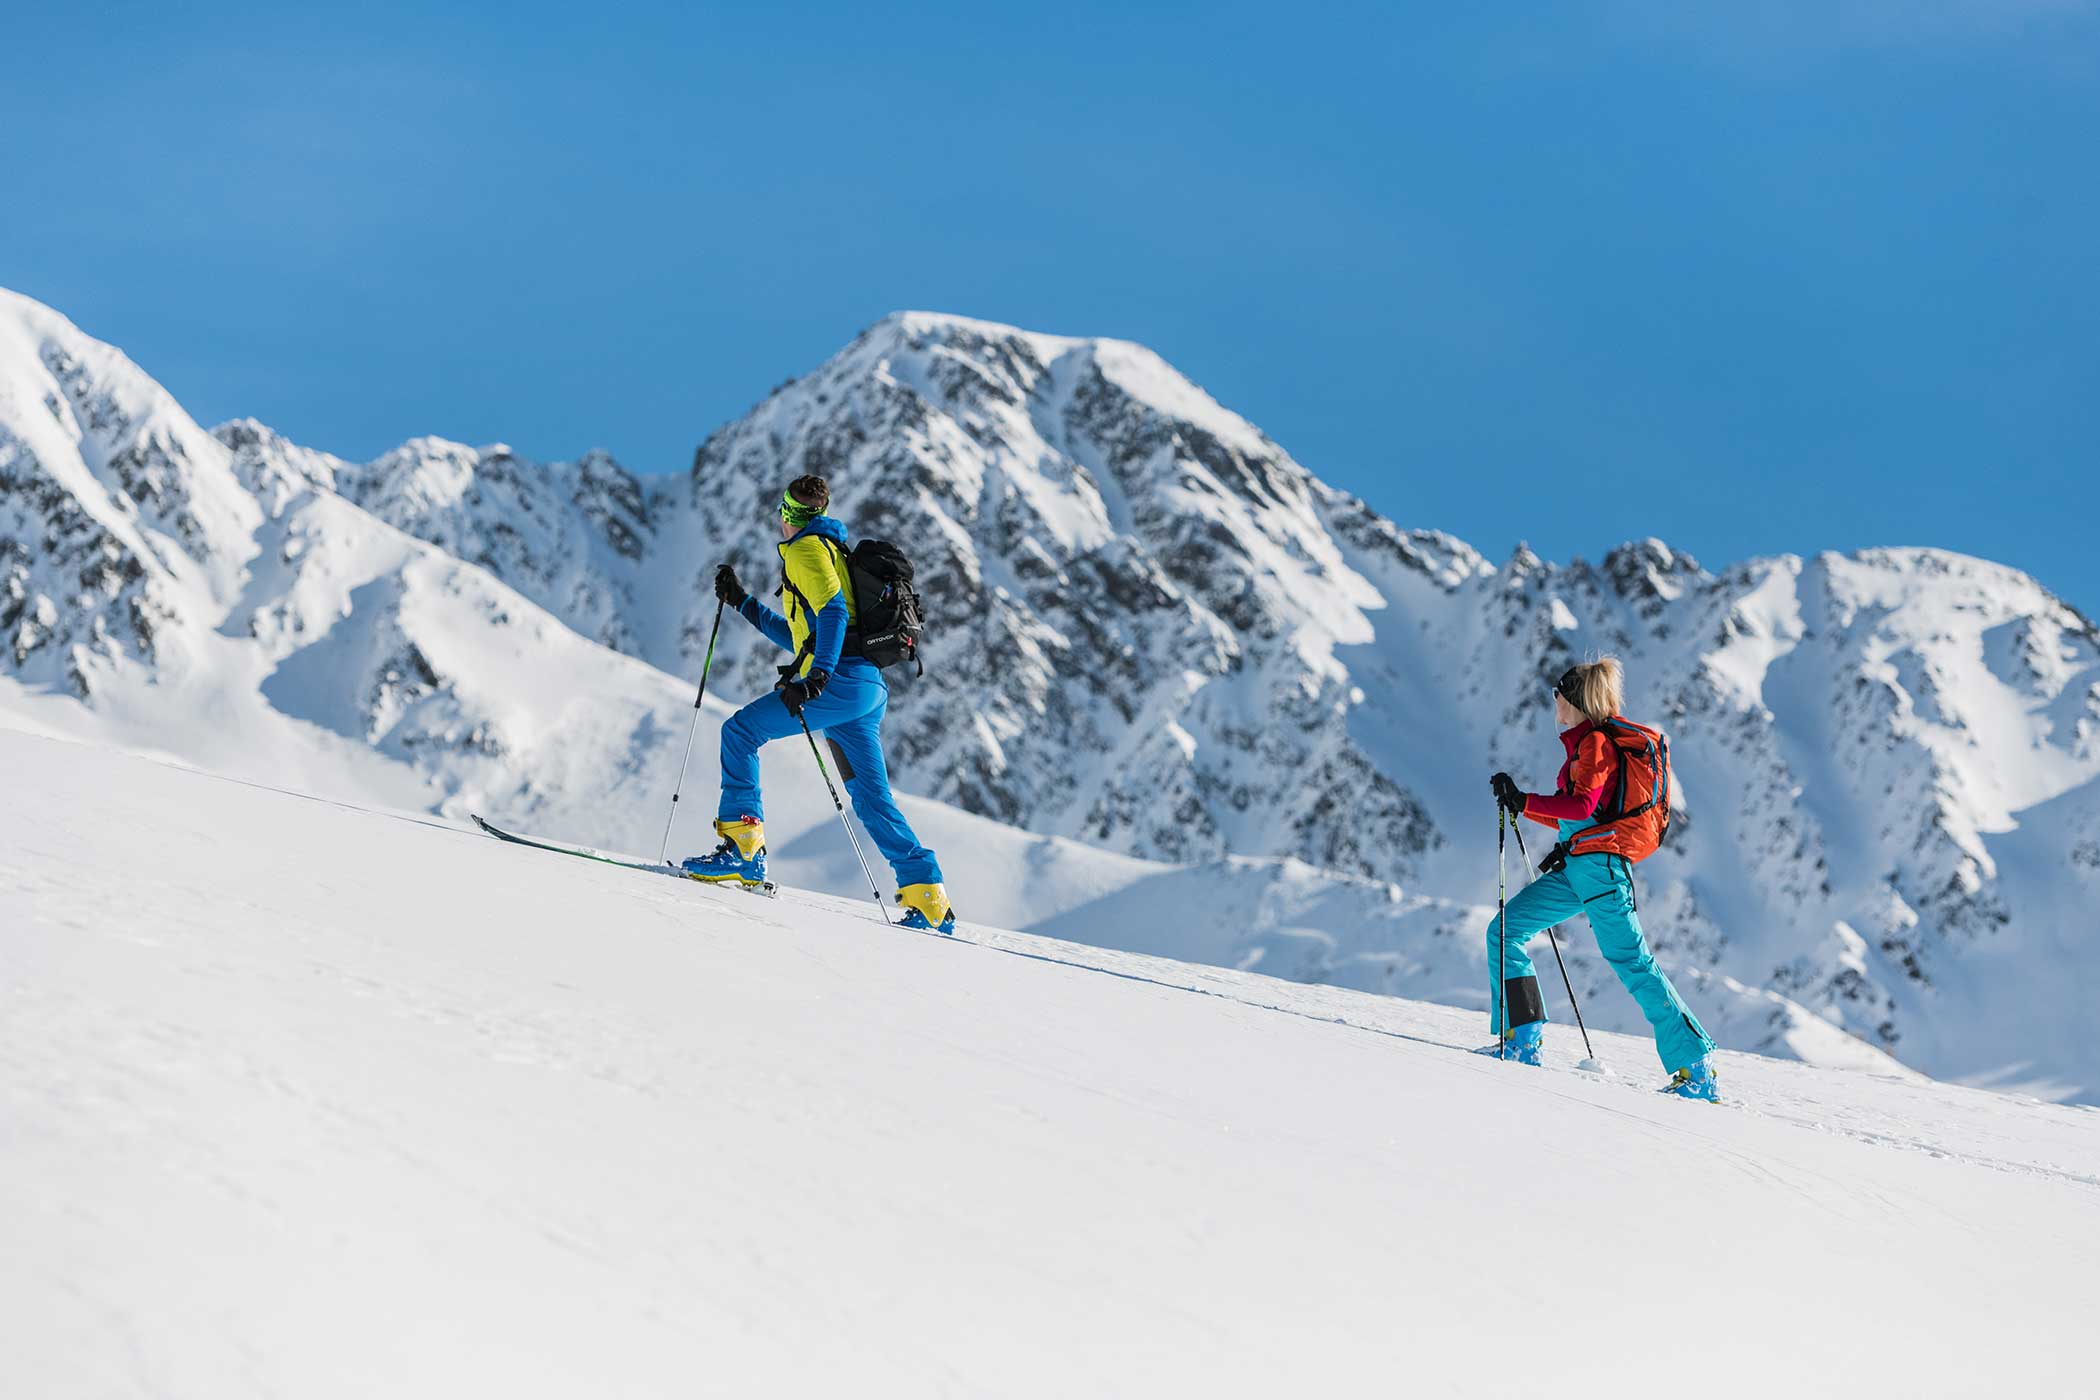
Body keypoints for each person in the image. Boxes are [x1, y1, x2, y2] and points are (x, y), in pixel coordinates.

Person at [682, 474, 955, 934]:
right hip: (865, 688)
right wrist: (743, 602)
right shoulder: (830, 550)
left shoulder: (807, 551)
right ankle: (927, 895)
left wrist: (817, 679)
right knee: (871, 798)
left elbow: (832, 615)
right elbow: (800, 636)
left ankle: (743, 847)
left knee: (740, 732)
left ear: (787, 515)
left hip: (840, 682)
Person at [1486, 657, 1719, 1100]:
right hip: (1582, 867)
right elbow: (1579, 814)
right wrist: (1523, 806)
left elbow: (1581, 807)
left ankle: (1697, 1067)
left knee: (1633, 962)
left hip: (1602, 871)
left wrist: (1525, 799)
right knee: (1505, 931)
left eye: (1558, 693)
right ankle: (1521, 1039)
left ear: (1573, 699)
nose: (1552, 700)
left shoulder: (1594, 743)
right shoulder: (1583, 745)